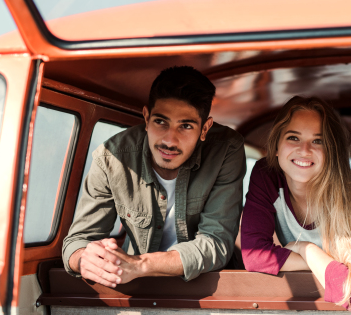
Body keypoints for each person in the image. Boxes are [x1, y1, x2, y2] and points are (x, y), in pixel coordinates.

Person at [62, 66, 246, 286]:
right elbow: (77, 241)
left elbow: (216, 242)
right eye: (161, 122)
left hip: (206, 287)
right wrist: (87, 259)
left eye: (185, 126)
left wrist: (140, 265)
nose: (170, 140)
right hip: (137, 287)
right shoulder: (111, 157)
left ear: (205, 129)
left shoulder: (226, 150)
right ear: (147, 117)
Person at [240, 96, 351, 312]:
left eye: (318, 141)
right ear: (277, 146)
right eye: (293, 138)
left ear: (331, 152)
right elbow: (255, 256)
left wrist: (303, 249)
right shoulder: (266, 175)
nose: (305, 150)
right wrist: (322, 261)